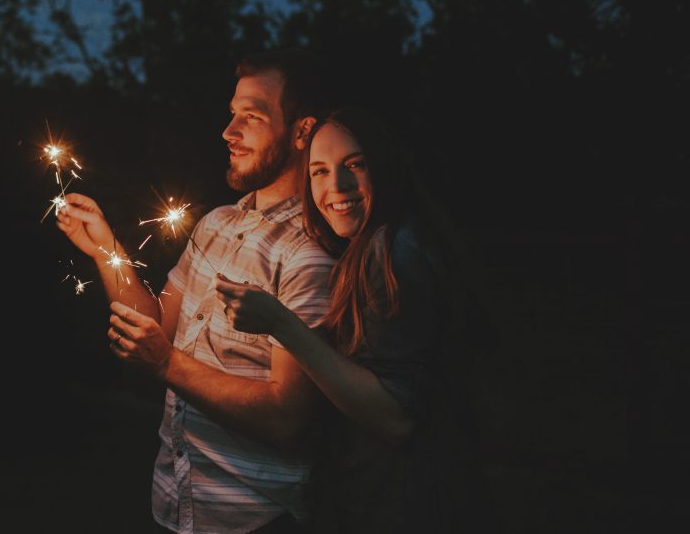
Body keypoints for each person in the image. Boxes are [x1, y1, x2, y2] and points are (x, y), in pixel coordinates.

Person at [57, 49, 337, 534]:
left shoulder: (309, 254)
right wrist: (106, 251)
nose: (229, 132)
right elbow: (159, 327)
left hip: (256, 520)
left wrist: (166, 364)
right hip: (172, 504)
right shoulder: (216, 225)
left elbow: (288, 419)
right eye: (232, 115)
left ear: (301, 131)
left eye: (251, 117)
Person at [212, 105, 493, 533]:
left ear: (386, 166)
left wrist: (281, 324)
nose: (336, 186)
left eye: (354, 165)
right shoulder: (390, 240)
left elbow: (394, 418)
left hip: (407, 507)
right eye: (319, 172)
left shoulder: (389, 251)